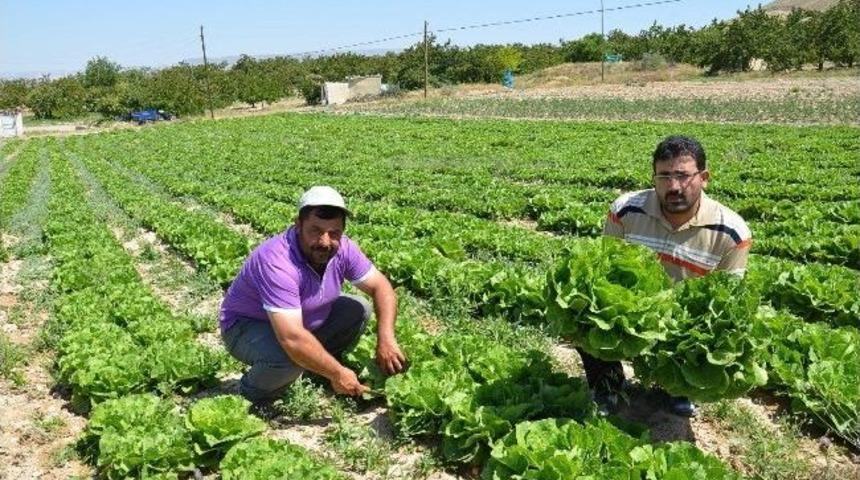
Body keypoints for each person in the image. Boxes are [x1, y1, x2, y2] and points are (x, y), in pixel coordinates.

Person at [586, 135, 752, 417]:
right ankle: (608, 385)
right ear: (653, 177)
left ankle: (676, 388)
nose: (673, 186)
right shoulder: (626, 211)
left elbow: (726, 303)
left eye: (683, 176)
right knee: (584, 312)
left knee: (707, 340)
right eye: (664, 176)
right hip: (631, 314)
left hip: (681, 327)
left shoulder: (731, 233)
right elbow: (604, 270)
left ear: (704, 178)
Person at [220, 186, 407, 403]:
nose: (325, 242)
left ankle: (314, 366)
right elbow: (292, 338)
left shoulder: (344, 249)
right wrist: (338, 373)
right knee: (290, 357)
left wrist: (386, 337)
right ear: (298, 225)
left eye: (334, 233)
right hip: (247, 327)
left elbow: (382, 287)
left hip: (300, 321)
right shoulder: (277, 261)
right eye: (316, 231)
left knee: (358, 308)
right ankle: (250, 394)